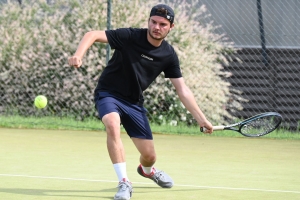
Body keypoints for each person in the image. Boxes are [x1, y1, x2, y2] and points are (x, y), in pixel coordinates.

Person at [68, 4, 213, 200]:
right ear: (148, 21)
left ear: (171, 27)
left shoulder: (168, 55)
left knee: (149, 156)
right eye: (153, 22)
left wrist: (201, 119)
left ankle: (147, 170)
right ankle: (124, 183)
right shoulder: (129, 36)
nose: (156, 27)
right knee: (112, 123)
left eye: (163, 24)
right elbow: (92, 34)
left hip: (134, 103)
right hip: (108, 93)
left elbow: (182, 90)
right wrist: (78, 55)